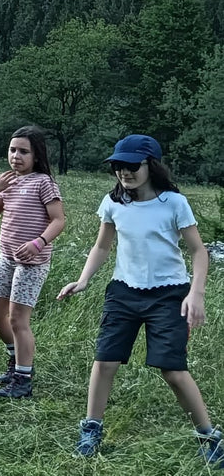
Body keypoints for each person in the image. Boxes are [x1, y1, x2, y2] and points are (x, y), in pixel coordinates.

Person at [57, 135, 222, 465]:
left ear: (152, 166)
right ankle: (91, 429)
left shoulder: (174, 203)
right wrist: (84, 279)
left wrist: (196, 293)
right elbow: (102, 247)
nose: (124, 172)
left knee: (172, 370)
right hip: (123, 292)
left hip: (169, 295)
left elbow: (198, 251)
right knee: (105, 361)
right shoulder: (114, 202)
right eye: (118, 166)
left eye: (132, 165)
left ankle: (210, 437)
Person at [0, 126, 65, 398]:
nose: (16, 156)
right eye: (12, 149)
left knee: (18, 320)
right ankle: (16, 358)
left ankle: (23, 379)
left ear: (37, 155)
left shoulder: (43, 182)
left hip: (32, 262)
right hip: (6, 257)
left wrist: (38, 242)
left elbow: (58, 220)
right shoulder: (8, 181)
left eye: (23, 151)